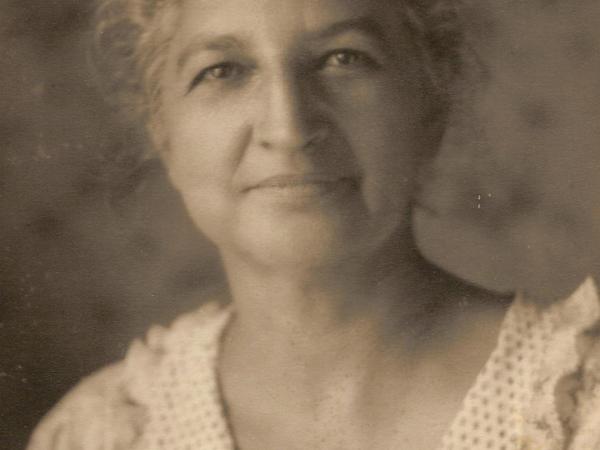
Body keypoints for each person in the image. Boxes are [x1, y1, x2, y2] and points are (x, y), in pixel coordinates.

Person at [26, 0, 600, 448]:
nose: (289, 126)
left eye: (342, 58)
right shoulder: (100, 435)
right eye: (222, 70)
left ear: (430, 106)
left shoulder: (577, 411)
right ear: (165, 135)